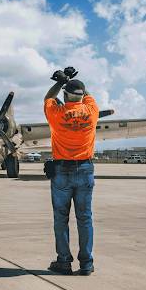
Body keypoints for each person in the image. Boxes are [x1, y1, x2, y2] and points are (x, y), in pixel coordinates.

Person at [44, 67, 99, 276]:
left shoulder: (56, 113)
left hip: (61, 171)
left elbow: (48, 98)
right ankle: (86, 264)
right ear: (83, 96)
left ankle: (64, 261)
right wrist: (73, 83)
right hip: (85, 169)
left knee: (61, 218)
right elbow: (86, 95)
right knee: (85, 218)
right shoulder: (92, 111)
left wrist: (61, 82)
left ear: (65, 96)